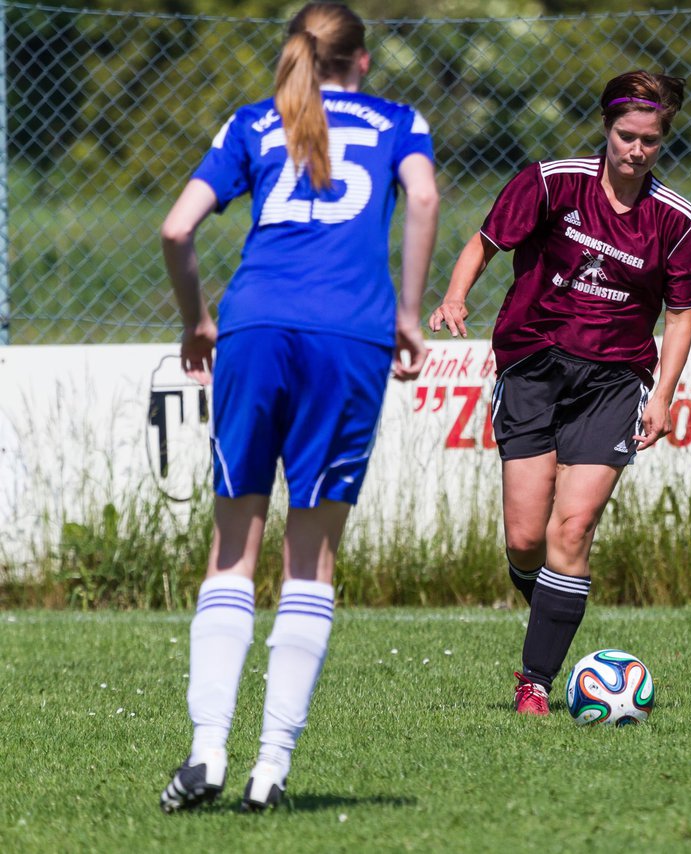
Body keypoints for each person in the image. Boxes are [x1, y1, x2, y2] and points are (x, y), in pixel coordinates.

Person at [158, 2, 438, 811]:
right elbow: (421, 201)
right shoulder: (398, 120)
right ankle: (268, 772)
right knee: (310, 555)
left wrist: (197, 322)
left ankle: (207, 752)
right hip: (347, 336)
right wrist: (409, 316)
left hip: (254, 326)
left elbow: (177, 230)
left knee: (232, 547)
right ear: (363, 60)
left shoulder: (251, 120)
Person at [429, 70, 691, 715]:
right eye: (625, 136)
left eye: (650, 141)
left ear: (663, 142)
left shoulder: (677, 220)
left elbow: (681, 313)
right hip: (533, 366)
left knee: (571, 529)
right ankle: (556, 605)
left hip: (614, 379)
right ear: (606, 130)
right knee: (526, 539)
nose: (636, 151)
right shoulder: (552, 182)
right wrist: (455, 296)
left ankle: (534, 683)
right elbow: (486, 242)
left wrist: (662, 395)